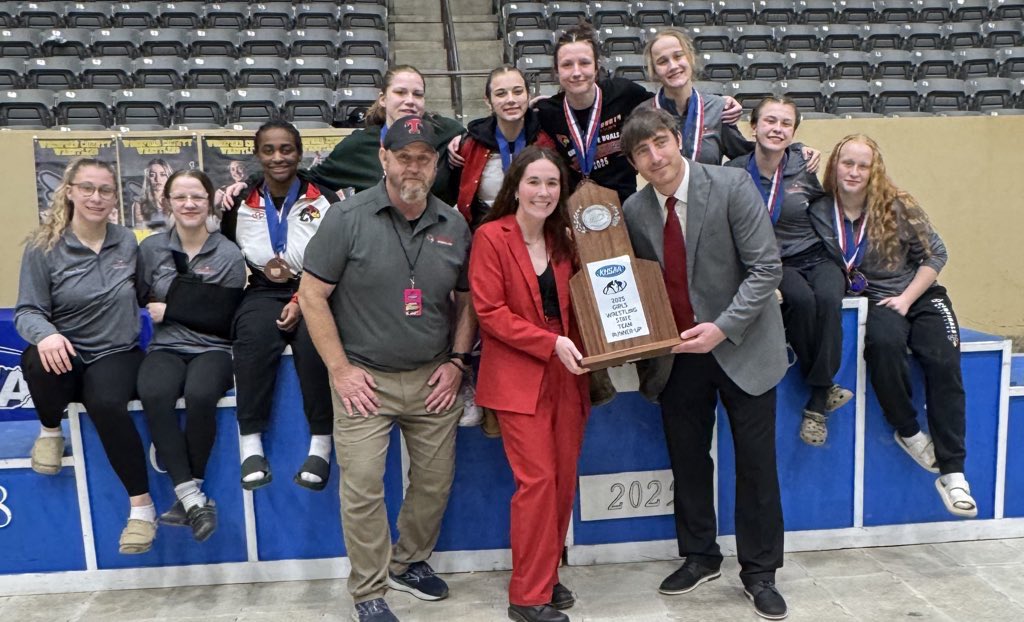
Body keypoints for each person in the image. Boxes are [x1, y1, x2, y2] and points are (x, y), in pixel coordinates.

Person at [299, 115, 474, 622]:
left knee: (435, 482)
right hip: (364, 380)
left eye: (423, 157)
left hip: (431, 377)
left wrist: (458, 363)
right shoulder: (346, 218)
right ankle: (369, 591)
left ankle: (409, 561)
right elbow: (311, 296)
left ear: (436, 163)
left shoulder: (453, 223)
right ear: (383, 158)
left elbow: (467, 301)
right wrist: (340, 370)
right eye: (403, 157)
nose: (413, 167)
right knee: (362, 487)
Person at [620, 109, 788, 620]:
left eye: (661, 143)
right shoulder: (633, 209)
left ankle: (760, 572)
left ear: (678, 141)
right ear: (633, 163)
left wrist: (722, 326)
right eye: (643, 152)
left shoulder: (733, 185)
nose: (656, 157)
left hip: (745, 345)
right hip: (679, 355)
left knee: (756, 465)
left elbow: (766, 268)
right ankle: (699, 555)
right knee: (687, 460)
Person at [819, 134, 977, 518]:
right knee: (883, 347)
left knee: (943, 361)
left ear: (875, 170)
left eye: (863, 165)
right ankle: (907, 430)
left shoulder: (898, 204)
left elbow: (937, 253)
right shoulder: (821, 210)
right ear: (835, 166)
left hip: (920, 294)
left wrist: (907, 298)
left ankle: (953, 472)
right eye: (847, 163)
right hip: (878, 301)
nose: (854, 171)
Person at [469, 147, 590, 622]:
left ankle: (546, 575)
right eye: (535, 182)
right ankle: (526, 596)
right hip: (519, 379)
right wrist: (551, 341)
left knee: (561, 482)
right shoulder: (490, 237)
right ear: (515, 186)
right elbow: (490, 314)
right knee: (536, 482)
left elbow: (588, 299)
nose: (543, 192)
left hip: (570, 374)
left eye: (552, 183)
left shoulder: (566, 239)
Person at [16, 158, 157, 555]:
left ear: (115, 197)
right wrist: (47, 336)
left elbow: (147, 291)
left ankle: (142, 510)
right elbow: (28, 311)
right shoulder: (43, 246)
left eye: (106, 190)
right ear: (70, 191)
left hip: (117, 351)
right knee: (35, 359)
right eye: (88, 188)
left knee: (106, 402)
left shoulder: (127, 241)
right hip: (67, 349)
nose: (97, 197)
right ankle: (49, 431)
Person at [725, 97, 852, 446]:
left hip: (816, 254)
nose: (776, 129)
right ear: (754, 127)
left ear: (793, 132)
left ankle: (817, 397)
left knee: (829, 297)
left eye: (785, 124)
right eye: (770, 121)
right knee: (800, 300)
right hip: (774, 262)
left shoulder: (805, 165)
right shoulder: (735, 171)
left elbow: (829, 204)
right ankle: (823, 389)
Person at [220, 121, 337, 492]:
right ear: (258, 155)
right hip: (262, 290)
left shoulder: (327, 199)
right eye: (269, 150)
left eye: (286, 149)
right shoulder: (239, 200)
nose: (278, 157)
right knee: (252, 337)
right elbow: (224, 246)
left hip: (316, 288)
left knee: (315, 342)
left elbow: (338, 258)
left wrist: (304, 300)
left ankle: (321, 443)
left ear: (299, 153)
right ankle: (250, 444)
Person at [136, 170, 246, 542]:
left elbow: (223, 318)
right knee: (153, 393)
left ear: (210, 200)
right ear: (167, 202)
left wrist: (172, 310)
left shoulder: (228, 252)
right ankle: (192, 498)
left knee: (201, 395)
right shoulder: (151, 249)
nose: (189, 205)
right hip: (167, 346)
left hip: (214, 348)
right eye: (180, 197)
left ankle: (188, 492)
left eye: (197, 197)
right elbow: (140, 299)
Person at [533, 23, 744, 205]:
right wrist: (527, 109)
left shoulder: (626, 95)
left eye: (585, 63)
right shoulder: (546, 112)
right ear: (556, 71)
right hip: (574, 213)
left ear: (597, 67)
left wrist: (718, 103)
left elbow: (671, 100)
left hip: (625, 210)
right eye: (567, 65)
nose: (577, 72)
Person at [306, 65, 463, 203]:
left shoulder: (446, 132)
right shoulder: (359, 145)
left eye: (418, 94)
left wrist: (462, 140)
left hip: (435, 233)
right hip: (376, 234)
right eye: (400, 92)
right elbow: (313, 180)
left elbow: (479, 139)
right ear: (383, 99)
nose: (410, 100)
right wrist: (339, 211)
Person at [448, 65, 542, 229]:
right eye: (501, 94)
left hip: (537, 231)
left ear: (529, 95)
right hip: (486, 232)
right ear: (488, 101)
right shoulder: (470, 145)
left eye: (518, 91)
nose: (510, 99)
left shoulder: (545, 140)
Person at [132, 158, 172, 229]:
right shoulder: (140, 204)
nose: (157, 179)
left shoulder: (175, 201)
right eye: (152, 175)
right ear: (147, 178)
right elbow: (140, 229)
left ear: (168, 177)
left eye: (162, 174)